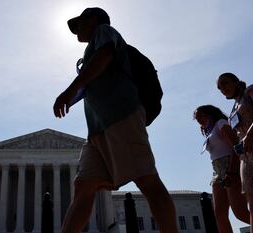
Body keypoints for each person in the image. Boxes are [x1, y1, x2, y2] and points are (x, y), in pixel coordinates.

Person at [53, 7, 178, 233]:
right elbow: (91, 82)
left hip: (121, 115)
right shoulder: (88, 54)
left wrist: (70, 88)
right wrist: (72, 94)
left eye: (78, 24)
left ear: (92, 20)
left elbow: (105, 55)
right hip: (97, 130)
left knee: (146, 179)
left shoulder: (104, 31)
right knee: (83, 187)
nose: (76, 32)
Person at [194, 105, 250, 233]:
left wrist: (232, 172)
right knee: (219, 213)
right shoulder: (209, 131)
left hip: (230, 167)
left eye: (201, 116)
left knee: (240, 212)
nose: (199, 120)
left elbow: (236, 147)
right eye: (196, 119)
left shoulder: (221, 123)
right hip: (217, 171)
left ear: (210, 114)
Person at [217, 72, 253, 233]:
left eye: (225, 83)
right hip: (246, 157)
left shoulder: (251, 91)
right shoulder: (233, 109)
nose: (223, 89)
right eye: (220, 88)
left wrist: (252, 133)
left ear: (236, 81)